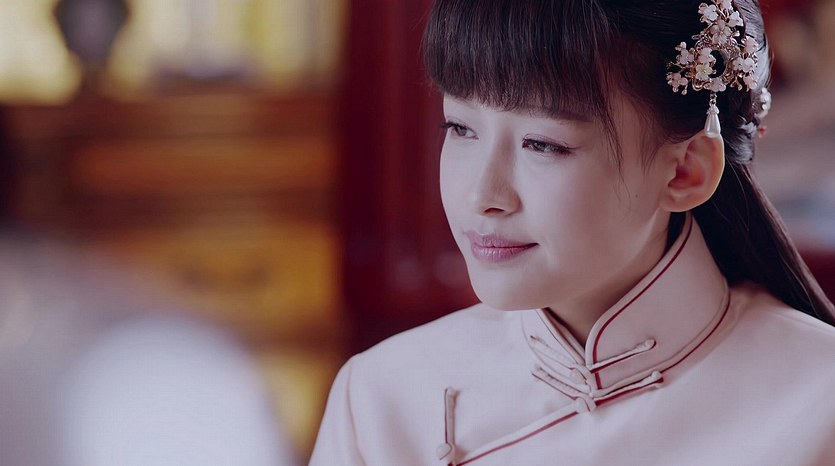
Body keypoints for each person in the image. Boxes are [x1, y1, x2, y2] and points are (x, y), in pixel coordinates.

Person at [310, 0, 835, 464]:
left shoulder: (817, 404)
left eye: (543, 144)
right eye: (461, 128)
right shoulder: (382, 399)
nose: (481, 195)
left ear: (685, 171)